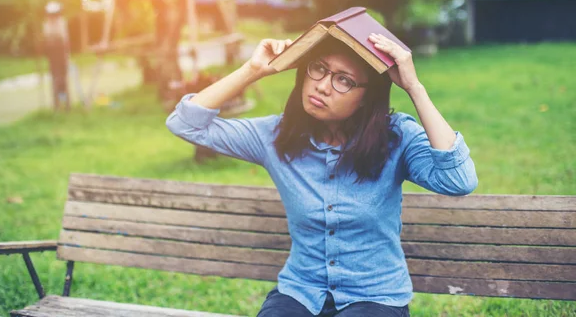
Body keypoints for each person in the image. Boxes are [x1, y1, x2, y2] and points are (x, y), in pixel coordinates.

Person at [165, 33, 478, 317]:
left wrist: (414, 87)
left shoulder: (396, 137)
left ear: (367, 97)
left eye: (343, 80)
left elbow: (459, 180)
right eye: (319, 69)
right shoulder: (275, 136)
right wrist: (254, 70)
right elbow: (184, 123)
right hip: (300, 294)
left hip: (375, 299)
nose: (323, 85)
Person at [42, 1, 71, 111]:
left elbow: (65, 41)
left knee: (63, 79)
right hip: (53, 56)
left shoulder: (61, 23)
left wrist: (66, 54)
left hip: (62, 54)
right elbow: (47, 42)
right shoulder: (46, 25)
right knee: (55, 79)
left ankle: (67, 105)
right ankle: (57, 105)